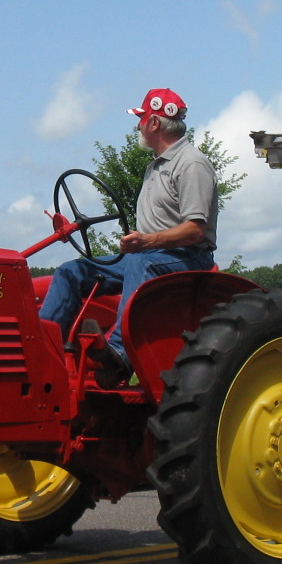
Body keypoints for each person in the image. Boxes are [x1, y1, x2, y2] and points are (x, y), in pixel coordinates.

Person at [40, 87, 219, 377]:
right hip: (152, 253)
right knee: (71, 271)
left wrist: (146, 241)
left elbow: (195, 230)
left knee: (140, 262)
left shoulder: (192, 164)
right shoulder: (155, 166)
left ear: (154, 124)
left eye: (141, 118)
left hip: (187, 257)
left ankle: (120, 356)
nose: (137, 124)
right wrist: (142, 238)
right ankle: (43, 350)